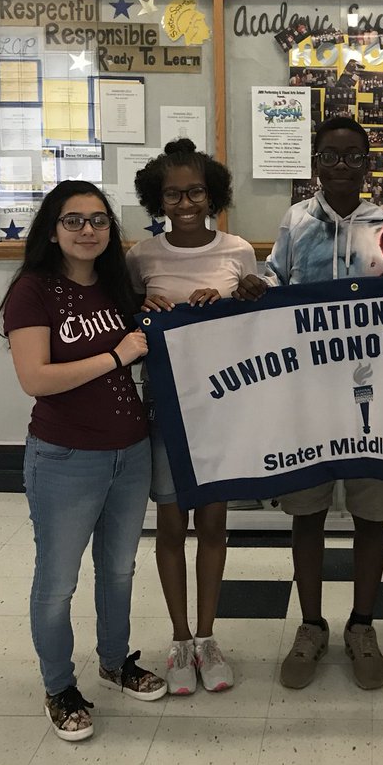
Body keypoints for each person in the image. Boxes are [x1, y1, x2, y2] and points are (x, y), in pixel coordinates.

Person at [235, 116, 383, 691]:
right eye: (331, 156)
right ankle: (312, 625)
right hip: (308, 395)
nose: (341, 166)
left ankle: (362, 624)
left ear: (367, 164)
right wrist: (257, 288)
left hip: (373, 392)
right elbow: (276, 281)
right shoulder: (298, 221)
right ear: (316, 162)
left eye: (352, 157)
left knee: (372, 511)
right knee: (308, 512)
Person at [0, 180, 166, 743]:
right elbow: (34, 378)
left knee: (119, 570)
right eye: (74, 220)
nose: (88, 230)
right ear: (52, 229)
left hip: (130, 451)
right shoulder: (33, 290)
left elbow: (145, 334)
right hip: (65, 456)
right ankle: (59, 686)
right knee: (58, 581)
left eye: (98, 220)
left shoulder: (117, 287)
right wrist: (116, 354)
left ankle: (115, 661)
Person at [128, 140, 258, 696]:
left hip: (220, 412)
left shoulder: (238, 251)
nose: (186, 202)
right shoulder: (141, 256)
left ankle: (207, 637)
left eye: (196, 191)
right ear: (158, 200)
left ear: (214, 194)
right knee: (171, 526)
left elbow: (255, 325)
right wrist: (143, 310)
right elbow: (125, 323)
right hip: (162, 411)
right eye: (173, 193)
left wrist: (231, 302)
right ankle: (179, 640)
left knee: (213, 525)